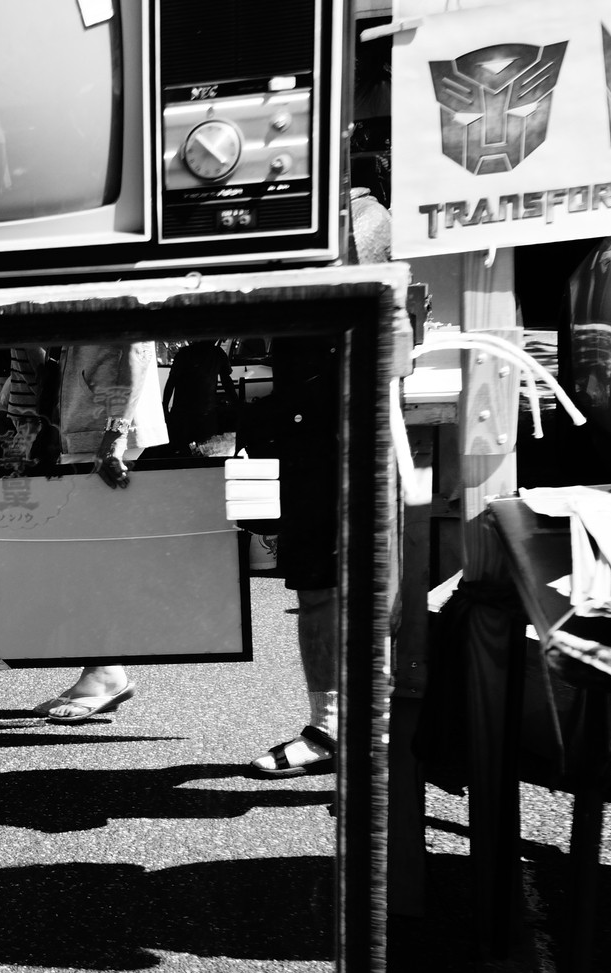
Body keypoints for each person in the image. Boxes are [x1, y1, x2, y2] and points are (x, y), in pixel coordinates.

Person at [249, 183, 393, 777]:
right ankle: (329, 725)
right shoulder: (282, 220)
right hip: (303, 433)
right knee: (313, 587)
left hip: (353, 429)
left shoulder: (364, 218)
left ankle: (373, 725)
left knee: (366, 589)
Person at [0, 341, 169, 725]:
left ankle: (106, 672)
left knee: (95, 559)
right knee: (89, 558)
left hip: (103, 427)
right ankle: (100, 668)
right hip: (90, 425)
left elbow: (135, 348)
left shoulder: (114, 293)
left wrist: (115, 434)